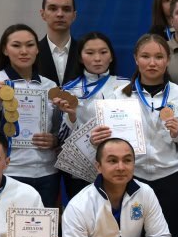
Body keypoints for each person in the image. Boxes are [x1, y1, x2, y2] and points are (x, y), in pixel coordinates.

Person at [95, 35, 178, 237]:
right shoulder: (119, 96)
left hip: (170, 176)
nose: (152, 63)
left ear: (168, 60)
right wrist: (97, 139)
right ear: (135, 59)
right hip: (133, 178)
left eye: (159, 57)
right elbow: (108, 141)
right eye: (145, 56)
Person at [0, 24, 60, 206]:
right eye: (16, 45)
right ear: (5, 50)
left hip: (47, 172)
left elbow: (57, 128)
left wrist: (54, 140)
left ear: (37, 49)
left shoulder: (49, 85)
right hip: (11, 170)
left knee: (42, 223)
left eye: (30, 45)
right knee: (8, 223)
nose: (24, 51)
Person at [54, 32, 129, 201]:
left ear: (111, 57)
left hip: (118, 164)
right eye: (90, 53)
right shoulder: (68, 90)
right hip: (81, 169)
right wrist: (71, 116)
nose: (97, 58)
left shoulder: (126, 86)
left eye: (103, 52)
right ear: (80, 58)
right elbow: (61, 138)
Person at [36, 0, 82, 86]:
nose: (60, 14)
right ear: (42, 14)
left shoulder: (85, 52)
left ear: (74, 16)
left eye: (66, 9)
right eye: (53, 9)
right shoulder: (32, 52)